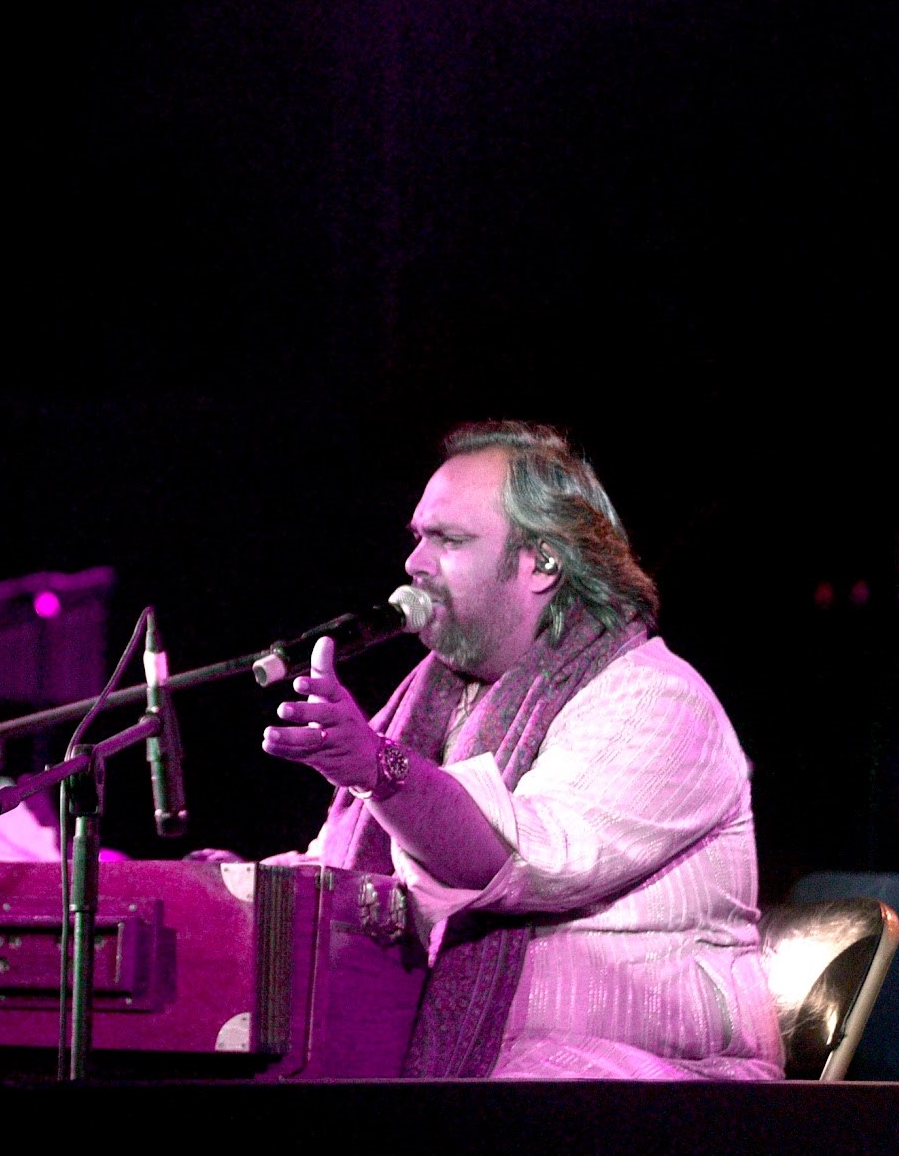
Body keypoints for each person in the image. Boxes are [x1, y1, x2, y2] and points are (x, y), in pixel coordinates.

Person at [258, 420, 781, 1079]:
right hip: (513, 1084)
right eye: (418, 537)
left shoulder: (656, 699)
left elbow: (509, 858)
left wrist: (379, 770)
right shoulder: (438, 697)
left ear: (543, 563)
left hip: (647, 1087)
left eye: (449, 539)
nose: (415, 563)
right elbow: (352, 874)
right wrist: (234, 889)